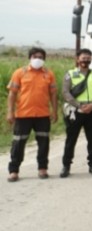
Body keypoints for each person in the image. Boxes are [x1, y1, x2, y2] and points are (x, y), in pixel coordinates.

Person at [6, 47, 58, 182]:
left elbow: (53, 94)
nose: (38, 59)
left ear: (44, 59)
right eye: (35, 56)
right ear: (30, 58)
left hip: (43, 115)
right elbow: (12, 94)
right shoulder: (19, 73)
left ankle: (42, 169)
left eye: (41, 57)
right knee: (18, 143)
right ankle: (14, 171)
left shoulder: (49, 74)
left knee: (44, 143)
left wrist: (55, 111)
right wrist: (10, 112)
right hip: (23, 115)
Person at [60, 48, 92, 178]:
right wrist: (79, 105)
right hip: (75, 110)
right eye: (83, 57)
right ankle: (66, 166)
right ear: (77, 59)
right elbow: (65, 92)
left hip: (91, 110)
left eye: (88, 58)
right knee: (71, 140)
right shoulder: (70, 73)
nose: (86, 60)